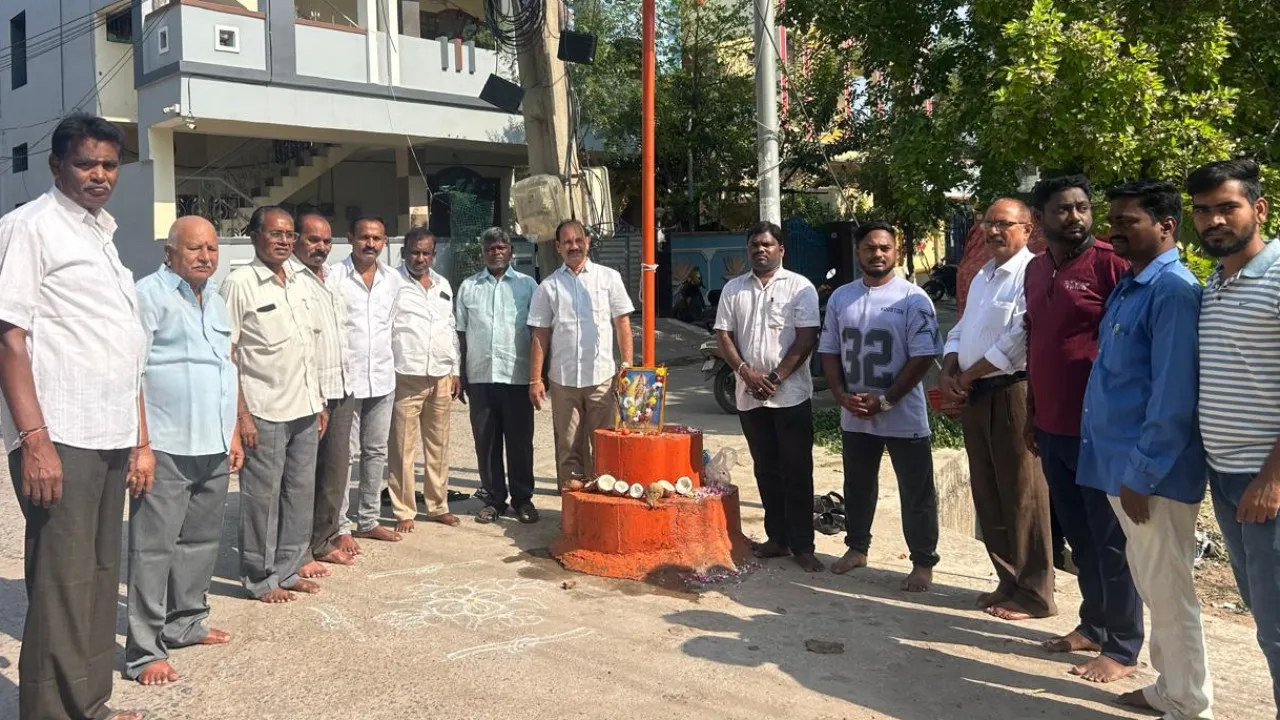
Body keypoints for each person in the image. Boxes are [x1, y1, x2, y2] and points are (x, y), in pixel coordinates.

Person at [0, 113, 148, 720]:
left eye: (109, 165)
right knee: (62, 584)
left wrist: (139, 439)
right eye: (86, 163)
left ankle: (90, 704)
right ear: (56, 164)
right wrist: (34, 440)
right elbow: (9, 337)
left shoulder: (101, 237)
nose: (99, 174)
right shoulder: (30, 227)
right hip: (61, 434)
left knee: (98, 575)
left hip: (107, 431)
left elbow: (123, 346)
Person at [1078, 179, 1212, 716]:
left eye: (1127, 221)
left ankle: (1188, 703)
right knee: (1154, 585)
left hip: (1151, 475)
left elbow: (1173, 394)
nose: (1114, 230)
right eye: (1113, 220)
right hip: (1123, 467)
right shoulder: (1132, 284)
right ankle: (1169, 688)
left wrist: (1144, 471)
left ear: (1166, 226)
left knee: (1170, 591)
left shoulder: (1172, 291)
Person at [1024, 175, 1143, 682]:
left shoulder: (1110, 264)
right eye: (1063, 209)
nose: (1076, 217)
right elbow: (1037, 341)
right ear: (1040, 218)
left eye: (1083, 207)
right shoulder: (1035, 269)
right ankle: (1093, 624)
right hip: (1052, 425)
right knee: (1079, 536)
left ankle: (1122, 645)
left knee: (1111, 540)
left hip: (1099, 430)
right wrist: (1032, 411)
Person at [126, 216, 241, 686]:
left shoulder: (215, 299)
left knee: (200, 542)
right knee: (153, 550)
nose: (205, 256)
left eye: (212, 248)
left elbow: (226, 367)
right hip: (166, 445)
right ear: (169, 252)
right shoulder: (147, 295)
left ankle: (186, 622)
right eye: (195, 248)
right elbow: (131, 373)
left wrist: (233, 432)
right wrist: (141, 446)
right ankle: (144, 651)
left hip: (213, 443)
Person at [1192, 158, 1280, 712]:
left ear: (1260, 209)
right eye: (1203, 211)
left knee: (1277, 625)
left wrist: (1272, 479)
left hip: (1266, 480)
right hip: (1226, 478)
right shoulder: (1215, 284)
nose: (1215, 220)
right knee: (1262, 613)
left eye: (1228, 207)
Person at [940, 199, 1056, 619]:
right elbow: (961, 327)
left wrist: (967, 377)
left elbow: (1019, 339)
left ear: (1027, 229)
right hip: (975, 394)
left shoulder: (1033, 273)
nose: (993, 231)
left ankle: (1036, 593)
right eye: (988, 223)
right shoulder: (983, 276)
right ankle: (1008, 582)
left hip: (1011, 393)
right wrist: (949, 369)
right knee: (987, 491)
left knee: (1023, 492)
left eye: (1004, 224)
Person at [819, 222, 942, 590]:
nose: (877, 254)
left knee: (916, 491)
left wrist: (887, 399)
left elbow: (924, 355)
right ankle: (857, 547)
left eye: (884, 248)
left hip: (902, 413)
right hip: (856, 412)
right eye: (870, 248)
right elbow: (829, 349)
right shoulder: (841, 298)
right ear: (858, 252)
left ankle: (923, 562)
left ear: (896, 252)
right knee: (858, 485)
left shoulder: (913, 299)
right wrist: (839, 394)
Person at [221, 206, 327, 603]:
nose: (284, 241)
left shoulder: (299, 280)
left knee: (299, 494)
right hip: (263, 411)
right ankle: (260, 577)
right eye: (275, 233)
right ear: (254, 236)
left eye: (289, 234)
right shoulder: (240, 284)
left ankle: (289, 566)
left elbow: (308, 347)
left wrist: (319, 401)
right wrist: (241, 416)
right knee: (262, 501)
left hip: (304, 406)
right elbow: (227, 353)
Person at [714, 221, 823, 572]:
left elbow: (806, 338)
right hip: (749, 396)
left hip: (790, 395)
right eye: (754, 245)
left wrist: (775, 378)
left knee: (797, 470)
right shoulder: (733, 289)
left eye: (767, 244)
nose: (760, 250)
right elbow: (724, 335)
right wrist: (745, 372)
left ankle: (803, 545)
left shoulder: (799, 287)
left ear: (781, 249)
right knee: (766, 469)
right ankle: (778, 538)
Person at [528, 219, 635, 490]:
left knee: (604, 445)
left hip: (602, 379)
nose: (573, 246)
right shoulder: (548, 287)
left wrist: (627, 366)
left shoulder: (608, 278)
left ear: (587, 241)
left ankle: (602, 503)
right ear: (558, 247)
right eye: (567, 242)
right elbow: (540, 335)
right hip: (563, 381)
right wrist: (535, 379)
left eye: (578, 240)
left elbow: (622, 323)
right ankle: (572, 507)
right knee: (568, 448)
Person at [291, 213, 369, 578]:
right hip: (311, 393)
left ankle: (323, 539)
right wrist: (315, 397)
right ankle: (298, 550)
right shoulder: (291, 280)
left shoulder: (331, 279)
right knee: (302, 476)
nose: (321, 247)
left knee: (335, 471)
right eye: (313, 240)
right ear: (296, 240)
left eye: (325, 241)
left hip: (342, 386)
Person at [456, 227, 540, 524]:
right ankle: (494, 500)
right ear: (483, 253)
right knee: (487, 443)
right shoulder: (469, 287)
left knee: (520, 443)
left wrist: (538, 376)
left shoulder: (528, 286)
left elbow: (538, 333)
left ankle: (523, 499)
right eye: (490, 248)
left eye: (501, 247)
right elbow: (460, 334)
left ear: (511, 251)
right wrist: (460, 374)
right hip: (480, 377)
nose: (496, 252)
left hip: (517, 377)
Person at [329, 215, 400, 548]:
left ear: (384, 241)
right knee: (344, 454)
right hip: (348, 380)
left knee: (376, 451)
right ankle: (340, 525)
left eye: (377, 238)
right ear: (350, 238)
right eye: (364, 237)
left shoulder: (393, 280)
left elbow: (392, 325)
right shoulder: (333, 277)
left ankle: (368, 520)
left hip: (383, 378)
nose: (370, 244)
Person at [387, 227, 462, 531]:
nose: (420, 258)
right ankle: (404, 510)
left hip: (441, 376)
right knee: (402, 448)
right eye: (414, 252)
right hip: (406, 376)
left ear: (434, 254)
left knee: (438, 445)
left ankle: (438, 505)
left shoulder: (443, 284)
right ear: (404, 252)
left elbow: (450, 327)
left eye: (426, 253)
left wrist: (455, 369)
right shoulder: (391, 283)